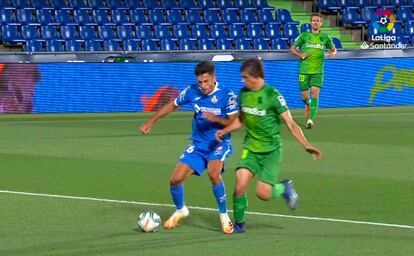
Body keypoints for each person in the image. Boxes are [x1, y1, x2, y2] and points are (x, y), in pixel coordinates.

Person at [215, 59, 322, 233]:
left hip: (271, 151)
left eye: (245, 77)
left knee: (263, 194)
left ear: (257, 77)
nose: (242, 81)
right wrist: (225, 130)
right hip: (250, 149)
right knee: (240, 185)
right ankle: (240, 224)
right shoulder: (243, 94)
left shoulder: (273, 95)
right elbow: (241, 120)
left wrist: (306, 145)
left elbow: (291, 124)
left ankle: (284, 188)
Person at [140, 61, 238, 234]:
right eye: (200, 82)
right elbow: (172, 105)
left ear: (214, 78)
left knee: (214, 173)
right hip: (199, 145)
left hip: (219, 143)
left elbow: (234, 121)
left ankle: (223, 214)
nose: (203, 85)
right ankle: (181, 210)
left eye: (206, 81)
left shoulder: (227, 95)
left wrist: (215, 120)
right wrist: (150, 121)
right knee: (175, 179)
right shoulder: (192, 90)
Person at [290, 13, 336, 129]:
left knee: (315, 93)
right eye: (314, 20)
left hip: (318, 71)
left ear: (321, 23)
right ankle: (308, 103)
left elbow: (333, 49)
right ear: (311, 22)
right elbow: (292, 48)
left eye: (318, 20)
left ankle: (310, 120)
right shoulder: (304, 36)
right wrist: (300, 54)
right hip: (304, 70)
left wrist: (333, 53)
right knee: (304, 96)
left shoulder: (325, 37)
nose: (315, 22)